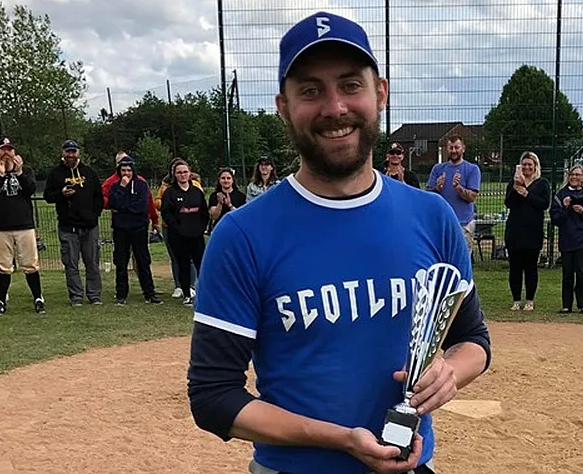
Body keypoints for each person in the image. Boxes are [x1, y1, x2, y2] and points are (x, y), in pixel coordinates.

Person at [187, 12, 491, 474]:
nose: (334, 107)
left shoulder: (432, 217)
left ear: (380, 94)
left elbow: (473, 340)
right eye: (310, 90)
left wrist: (450, 372)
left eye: (351, 85)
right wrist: (340, 440)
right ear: (283, 107)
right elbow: (213, 397)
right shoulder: (242, 235)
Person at [0, 138, 45, 316]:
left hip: (24, 225)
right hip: (1, 226)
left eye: (10, 150)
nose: (7, 153)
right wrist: (1, 175)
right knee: (3, 265)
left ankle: (38, 298)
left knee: (30, 263)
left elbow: (30, 189)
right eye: (3, 150)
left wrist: (19, 172)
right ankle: (1, 300)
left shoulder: (26, 170)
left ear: (15, 154)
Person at [43, 140, 104, 306]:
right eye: (68, 152)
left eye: (73, 151)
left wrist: (94, 215)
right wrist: (61, 193)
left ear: (78, 153)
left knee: (92, 262)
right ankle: (76, 296)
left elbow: (99, 197)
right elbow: (48, 196)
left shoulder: (89, 173)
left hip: (89, 226)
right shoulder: (56, 174)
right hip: (68, 226)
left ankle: (94, 295)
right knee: (71, 263)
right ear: (63, 153)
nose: (71, 155)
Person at [107, 155, 162, 305]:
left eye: (129, 170)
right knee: (121, 262)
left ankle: (149, 293)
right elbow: (113, 203)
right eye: (123, 170)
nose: (126, 173)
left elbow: (142, 206)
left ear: (133, 171)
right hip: (120, 229)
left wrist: (123, 208)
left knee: (143, 261)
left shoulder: (141, 185)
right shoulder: (115, 186)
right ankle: (121, 294)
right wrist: (122, 189)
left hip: (138, 228)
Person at [549, 165, 583, 314]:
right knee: (567, 274)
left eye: (578, 175)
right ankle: (566, 305)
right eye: (572, 174)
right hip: (566, 240)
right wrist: (565, 208)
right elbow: (555, 219)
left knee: (581, 272)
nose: (574, 177)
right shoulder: (561, 195)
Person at [503, 151, 550, 312]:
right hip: (515, 231)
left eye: (530, 164)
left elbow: (544, 204)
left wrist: (527, 194)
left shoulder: (542, 183)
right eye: (524, 164)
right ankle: (516, 300)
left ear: (535, 166)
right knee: (515, 268)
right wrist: (518, 188)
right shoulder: (514, 183)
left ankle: (530, 300)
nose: (527, 167)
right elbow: (509, 203)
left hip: (533, 231)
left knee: (531, 268)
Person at [160, 160, 208, 307]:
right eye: (179, 172)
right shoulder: (170, 192)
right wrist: (177, 228)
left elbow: (204, 213)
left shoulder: (197, 192)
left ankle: (204, 293)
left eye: (185, 172)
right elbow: (166, 213)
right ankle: (186, 294)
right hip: (178, 236)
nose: (182, 175)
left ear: (190, 173)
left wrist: (201, 228)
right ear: (174, 174)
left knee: (201, 265)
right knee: (183, 265)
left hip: (196, 236)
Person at [427, 135, 481, 256]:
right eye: (451, 148)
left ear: (463, 148)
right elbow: (429, 197)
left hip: (463, 223)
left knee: (462, 259)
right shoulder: (438, 169)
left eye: (457, 147)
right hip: (442, 223)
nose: (454, 151)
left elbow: (471, 197)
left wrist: (458, 187)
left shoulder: (472, 169)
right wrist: (437, 188)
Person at [102, 151, 160, 233]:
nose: (126, 172)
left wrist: (155, 220)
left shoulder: (141, 183)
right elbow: (103, 199)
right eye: (121, 163)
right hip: (120, 226)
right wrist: (110, 204)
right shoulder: (111, 183)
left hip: (139, 225)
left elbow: (148, 202)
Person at [208, 167, 246, 232]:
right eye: (223, 178)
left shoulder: (241, 196)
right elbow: (214, 216)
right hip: (219, 229)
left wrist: (230, 205)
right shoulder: (214, 195)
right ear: (219, 180)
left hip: (236, 229)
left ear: (232, 180)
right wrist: (219, 204)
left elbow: (241, 217)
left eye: (228, 178)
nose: (226, 181)